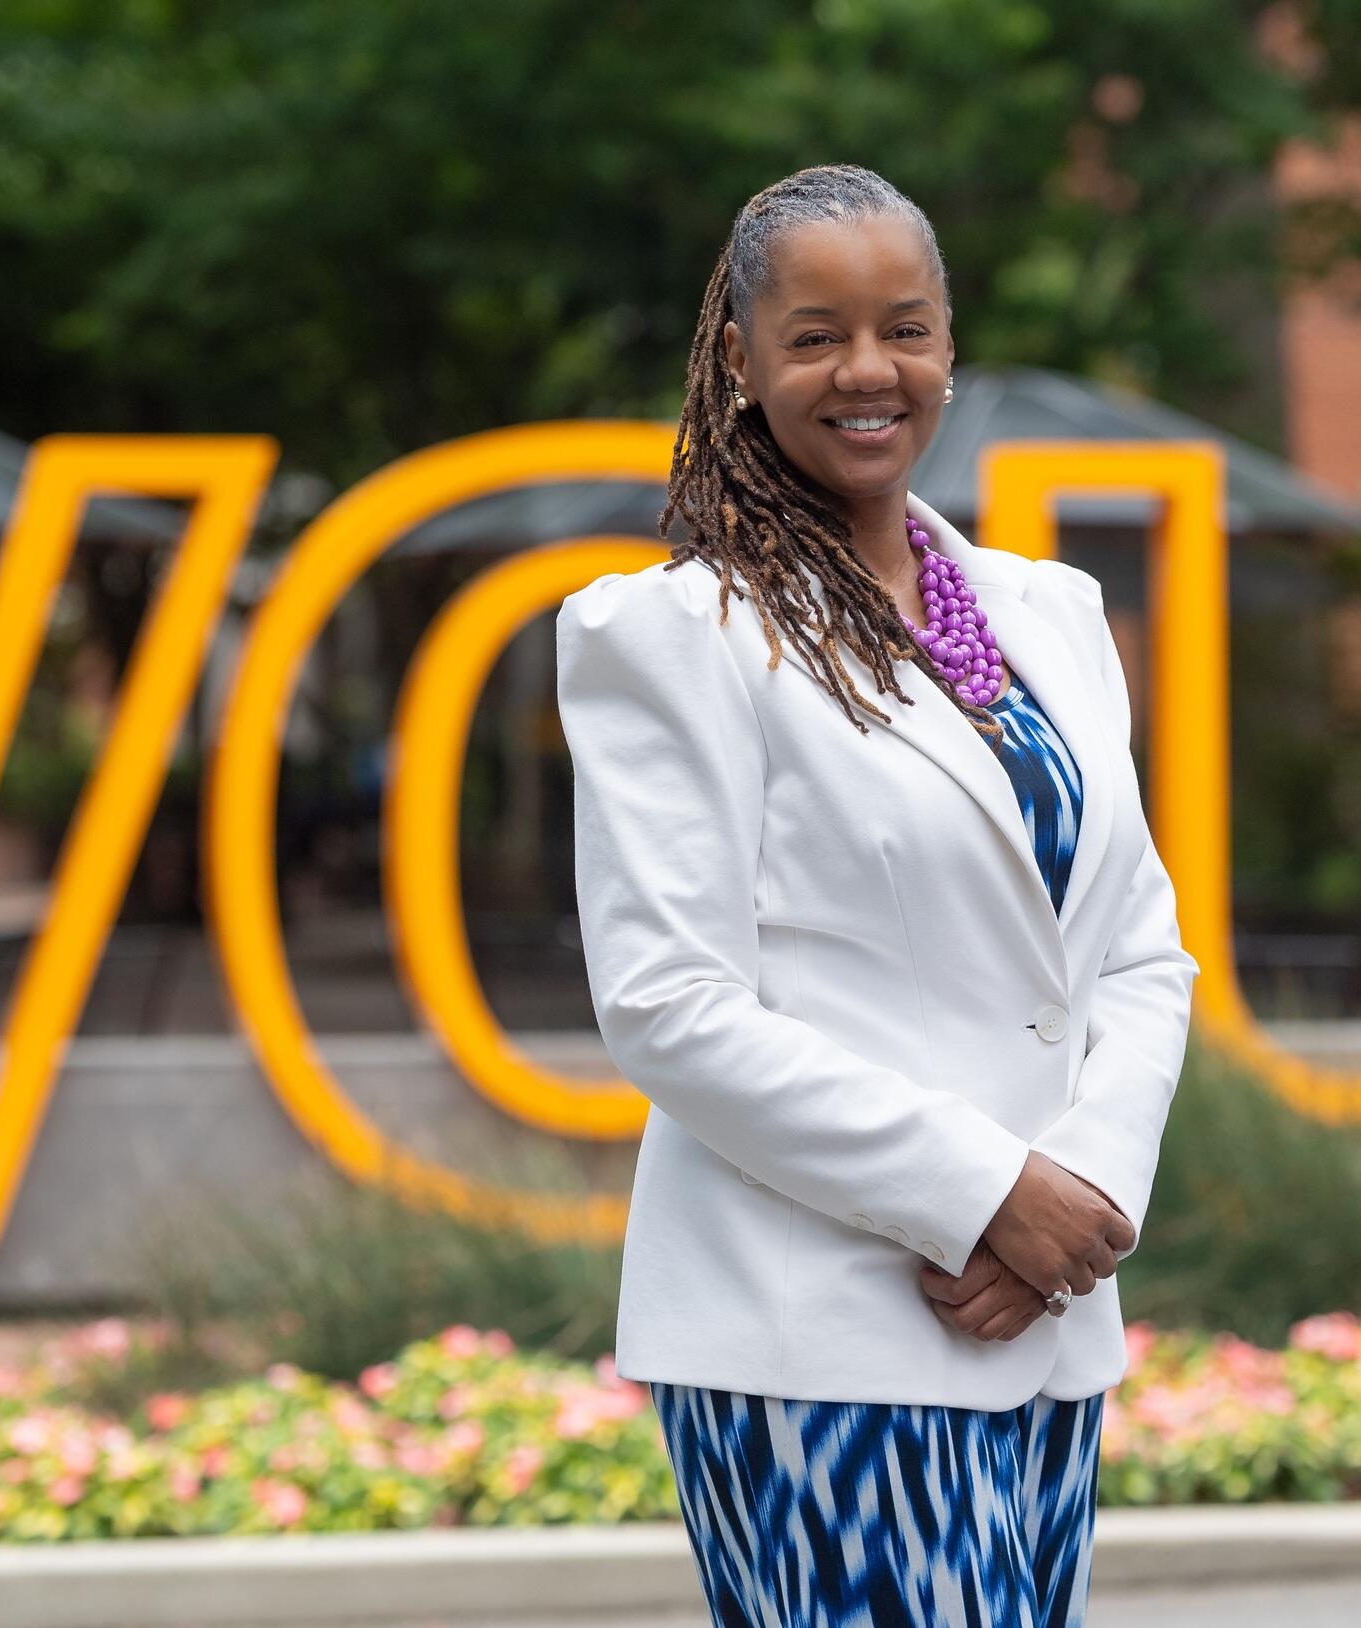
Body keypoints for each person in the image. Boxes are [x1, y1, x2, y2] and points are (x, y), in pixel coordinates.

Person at [556, 164, 1199, 1628]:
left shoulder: (1053, 618)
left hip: (1041, 1324)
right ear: (740, 360)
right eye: (817, 335)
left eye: (904, 329)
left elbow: (1140, 954)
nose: (867, 371)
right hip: (818, 1340)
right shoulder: (673, 635)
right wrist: (981, 1196)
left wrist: (1080, 1201)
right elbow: (669, 1006)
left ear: (949, 347)